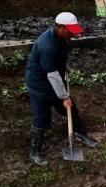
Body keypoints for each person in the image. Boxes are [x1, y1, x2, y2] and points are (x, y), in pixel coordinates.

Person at [25, 12, 98, 166]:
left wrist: (64, 67)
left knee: (71, 109)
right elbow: (52, 75)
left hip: (54, 78)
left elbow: (57, 62)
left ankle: (79, 134)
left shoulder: (62, 38)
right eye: (71, 30)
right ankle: (34, 153)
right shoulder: (47, 45)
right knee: (41, 118)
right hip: (40, 85)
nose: (73, 33)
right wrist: (64, 97)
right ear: (61, 27)